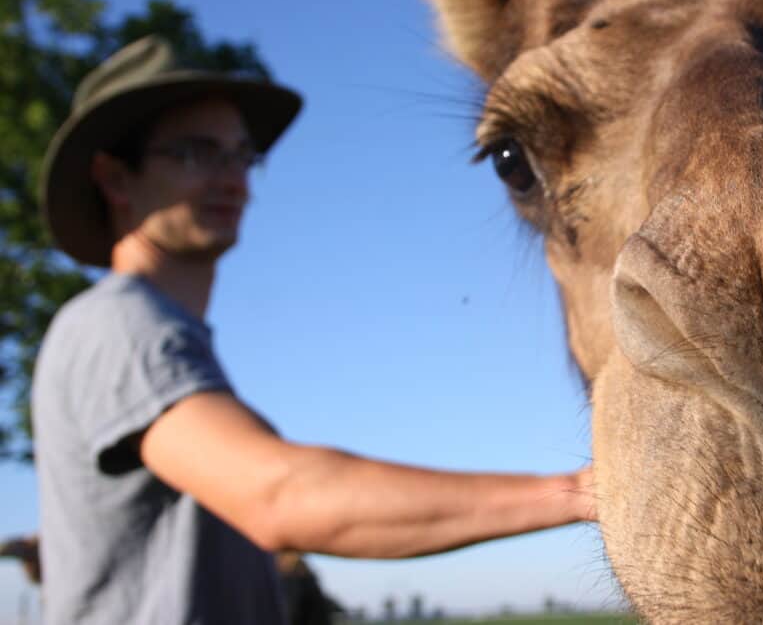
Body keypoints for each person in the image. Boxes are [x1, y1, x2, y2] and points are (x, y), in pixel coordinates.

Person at [32, 36, 595, 625]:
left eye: (242, 156)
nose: (233, 179)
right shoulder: (119, 324)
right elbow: (280, 498)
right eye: (197, 153)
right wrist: (579, 492)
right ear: (115, 179)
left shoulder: (160, 335)